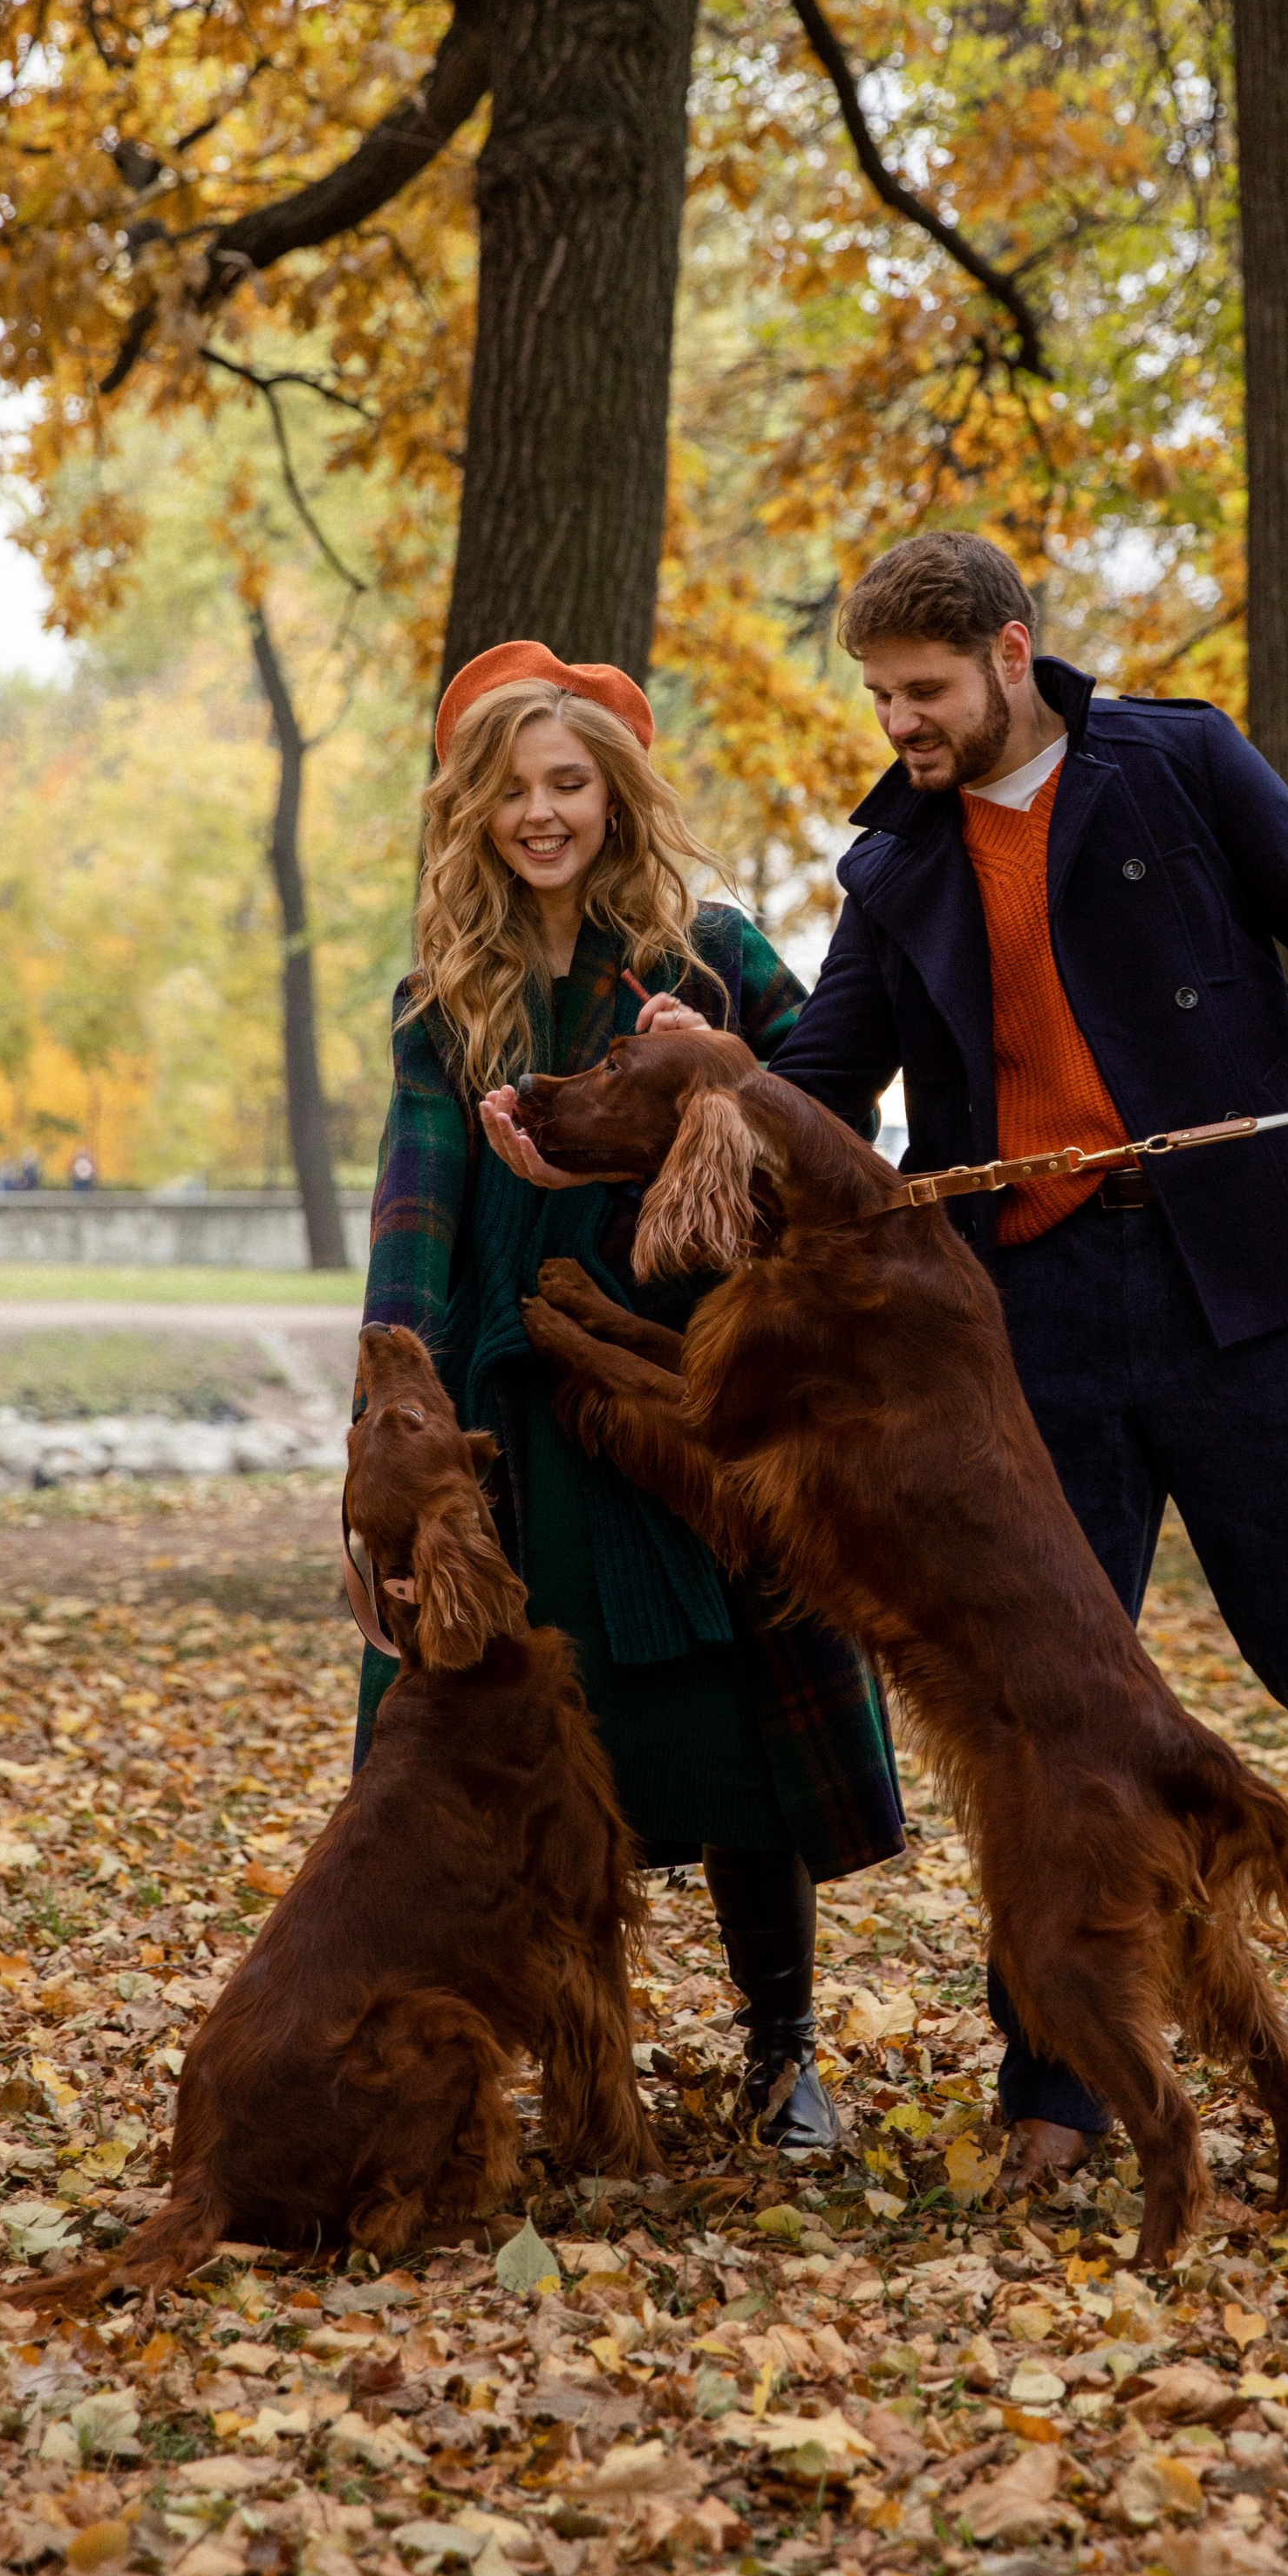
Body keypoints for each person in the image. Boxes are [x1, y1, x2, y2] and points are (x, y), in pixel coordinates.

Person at [771, 535, 1288, 2184]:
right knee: (1050, 1719)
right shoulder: (895, 863)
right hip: (1032, 1323)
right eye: (882, 694)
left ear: (1011, 654)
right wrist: (692, 1097)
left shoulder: (1180, 763)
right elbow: (818, 1082)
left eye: (924, 690)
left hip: (1240, 1287)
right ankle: (1054, 2090)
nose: (900, 721)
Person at [357, 638, 903, 2154]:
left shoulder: (706, 954)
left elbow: (835, 1116)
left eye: (568, 783)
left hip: (688, 1394)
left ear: (616, 793)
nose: (541, 814)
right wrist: (389, 1446)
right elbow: (417, 1224)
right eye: (510, 791)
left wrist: (722, 1068)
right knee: (520, 1755)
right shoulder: (442, 998)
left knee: (738, 1741)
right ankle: (577, 2071)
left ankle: (785, 2057)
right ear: (470, 812)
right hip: (506, 1418)